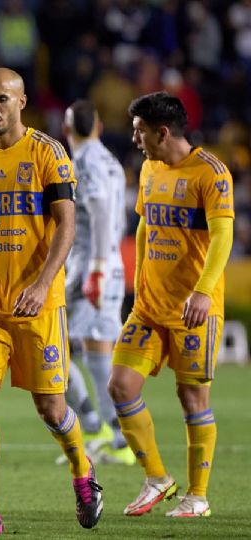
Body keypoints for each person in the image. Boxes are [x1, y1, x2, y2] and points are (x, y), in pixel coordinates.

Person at [0, 68, 102, 534]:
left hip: (39, 302)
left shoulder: (47, 153)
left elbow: (67, 225)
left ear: (21, 102)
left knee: (51, 409)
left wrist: (40, 285)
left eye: (0, 99)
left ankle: (83, 472)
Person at [108, 92, 233, 519]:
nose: (134, 137)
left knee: (191, 398)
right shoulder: (148, 167)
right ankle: (158, 478)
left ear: (162, 132)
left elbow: (222, 237)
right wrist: (138, 281)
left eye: (140, 130)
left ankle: (197, 495)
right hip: (149, 305)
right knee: (120, 386)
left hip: (193, 309)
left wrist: (202, 291)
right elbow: (144, 225)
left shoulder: (211, 173)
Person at [60, 99, 135, 466]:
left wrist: (96, 268)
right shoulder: (110, 161)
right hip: (111, 264)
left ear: (66, 130)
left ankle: (94, 426)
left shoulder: (86, 162)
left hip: (90, 267)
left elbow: (102, 211)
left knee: (52, 346)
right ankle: (118, 439)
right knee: (98, 353)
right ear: (100, 127)